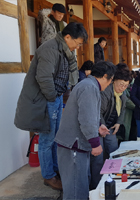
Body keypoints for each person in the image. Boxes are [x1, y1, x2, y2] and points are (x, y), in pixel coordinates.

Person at [14, 22, 88, 190]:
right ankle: (48, 176)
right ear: (67, 37)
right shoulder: (50, 49)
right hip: (46, 99)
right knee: (47, 139)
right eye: (78, 42)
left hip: (55, 98)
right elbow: (44, 78)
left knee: (55, 137)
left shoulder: (64, 50)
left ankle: (55, 170)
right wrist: (53, 97)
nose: (78, 47)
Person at [54, 61, 115, 199]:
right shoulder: (89, 87)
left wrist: (99, 125)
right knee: (76, 189)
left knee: (81, 185)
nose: (109, 84)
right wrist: (95, 143)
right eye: (111, 80)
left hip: (75, 144)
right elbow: (86, 119)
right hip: (73, 145)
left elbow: (89, 113)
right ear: (105, 76)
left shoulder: (90, 85)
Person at [89, 63, 131, 189]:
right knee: (98, 158)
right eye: (121, 85)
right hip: (98, 128)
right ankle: (96, 186)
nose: (123, 88)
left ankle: (114, 181)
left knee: (114, 153)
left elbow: (123, 110)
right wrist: (101, 126)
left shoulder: (122, 95)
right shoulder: (106, 92)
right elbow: (98, 112)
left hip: (111, 127)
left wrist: (119, 122)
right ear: (113, 81)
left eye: (126, 86)